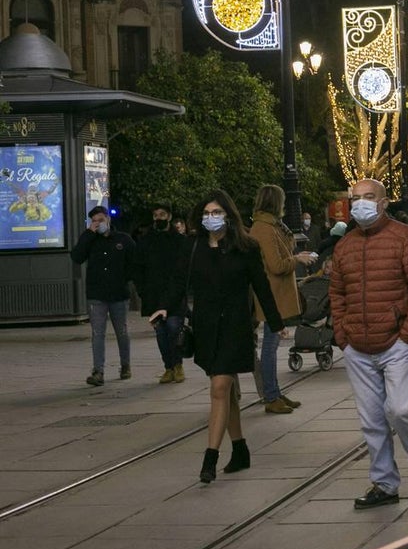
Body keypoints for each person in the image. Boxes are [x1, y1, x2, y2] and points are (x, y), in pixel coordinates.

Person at [148, 189, 285, 483]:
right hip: (207, 327)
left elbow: (261, 286)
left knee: (220, 387)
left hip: (236, 326)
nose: (211, 218)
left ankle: (209, 458)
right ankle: (240, 448)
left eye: (217, 213)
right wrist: (163, 307)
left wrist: (276, 322)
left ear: (229, 216)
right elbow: (178, 281)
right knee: (227, 392)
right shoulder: (193, 247)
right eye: (207, 214)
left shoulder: (246, 247)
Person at [330, 179, 408, 508]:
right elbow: (336, 293)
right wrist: (342, 337)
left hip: (396, 344)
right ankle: (384, 484)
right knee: (372, 420)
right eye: (355, 198)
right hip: (357, 346)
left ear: (384, 201)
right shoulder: (344, 246)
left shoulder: (404, 238)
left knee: (401, 409)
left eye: (368, 197)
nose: (360, 203)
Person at [250, 184, 315, 414]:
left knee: (272, 344)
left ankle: (274, 392)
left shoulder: (272, 226)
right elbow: (276, 265)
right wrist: (297, 259)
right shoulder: (264, 229)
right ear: (276, 203)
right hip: (272, 295)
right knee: (270, 346)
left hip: (276, 293)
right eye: (283, 202)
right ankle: (270, 395)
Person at [71, 205, 136, 386]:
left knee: (121, 331)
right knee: (98, 332)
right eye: (94, 221)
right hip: (96, 293)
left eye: (100, 220)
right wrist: (88, 234)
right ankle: (98, 370)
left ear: (108, 220)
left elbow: (134, 261)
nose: (97, 224)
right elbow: (76, 257)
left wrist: (125, 278)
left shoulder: (123, 239)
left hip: (118, 293)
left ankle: (125, 365)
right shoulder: (90, 240)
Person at [135, 204, 187, 383]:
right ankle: (168, 366)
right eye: (155, 214)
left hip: (174, 294)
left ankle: (178, 364)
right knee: (161, 334)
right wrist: (142, 290)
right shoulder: (146, 240)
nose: (158, 218)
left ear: (169, 216)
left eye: (162, 214)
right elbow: (139, 268)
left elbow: (183, 269)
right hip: (153, 295)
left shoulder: (179, 241)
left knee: (174, 328)